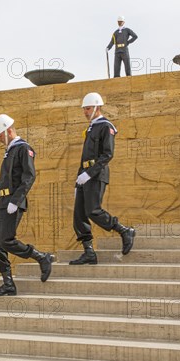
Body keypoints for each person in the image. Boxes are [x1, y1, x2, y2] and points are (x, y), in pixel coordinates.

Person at [0, 114, 55, 296]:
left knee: (6, 240)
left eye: (0, 136)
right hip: (3, 202)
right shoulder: (10, 151)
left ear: (9, 130)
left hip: (13, 203)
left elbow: (29, 176)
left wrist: (16, 201)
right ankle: (8, 283)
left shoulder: (23, 148)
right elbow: (8, 175)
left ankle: (42, 257)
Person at [71, 92, 135, 265]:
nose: (85, 112)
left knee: (93, 210)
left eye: (88, 108)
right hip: (84, 175)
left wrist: (89, 174)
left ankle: (124, 231)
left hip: (97, 174)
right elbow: (85, 156)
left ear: (97, 107)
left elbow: (107, 154)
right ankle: (89, 252)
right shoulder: (92, 127)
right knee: (79, 214)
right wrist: (79, 179)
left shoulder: (106, 126)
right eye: (84, 109)